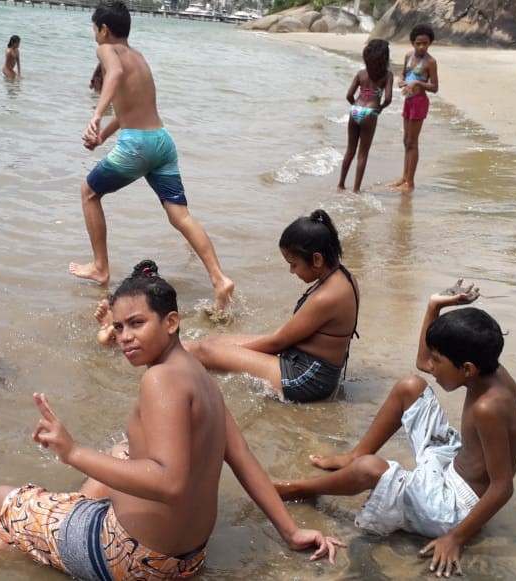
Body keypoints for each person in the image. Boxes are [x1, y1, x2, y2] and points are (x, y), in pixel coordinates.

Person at [0, 260, 342, 578]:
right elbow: (242, 456)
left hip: (134, 560)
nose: (124, 337)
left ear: (171, 322)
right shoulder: (198, 374)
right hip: (188, 559)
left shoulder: (160, 381)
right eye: (118, 326)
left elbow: (170, 482)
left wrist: (72, 452)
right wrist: (289, 531)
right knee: (123, 452)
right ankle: (29, 536)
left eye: (137, 324)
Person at [273, 281, 516, 578]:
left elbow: (502, 487)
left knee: (371, 469)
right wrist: (434, 306)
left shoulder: (488, 408)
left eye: (438, 361)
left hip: (454, 507)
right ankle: (353, 455)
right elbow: (421, 363)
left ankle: (302, 489)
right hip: (451, 463)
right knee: (410, 387)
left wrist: (455, 537)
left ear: (467, 369)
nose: (430, 365)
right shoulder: (489, 369)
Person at [70, 1, 235, 313]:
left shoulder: (107, 50)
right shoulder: (139, 57)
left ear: (104, 29)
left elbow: (114, 73)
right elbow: (130, 109)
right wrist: (103, 136)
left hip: (138, 145)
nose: (95, 35)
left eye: (94, 29)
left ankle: (100, 267)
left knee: (89, 193)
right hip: (162, 141)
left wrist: (96, 115)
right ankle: (219, 278)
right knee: (180, 216)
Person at [183, 210, 359, 403]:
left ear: (317, 259)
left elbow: (277, 343)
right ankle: (178, 351)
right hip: (304, 361)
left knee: (206, 350)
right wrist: (226, 349)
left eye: (294, 264)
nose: (291, 271)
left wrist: (231, 353)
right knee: (212, 341)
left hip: (307, 379)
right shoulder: (345, 277)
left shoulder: (326, 297)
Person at [388, 24, 438, 195]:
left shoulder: (430, 62)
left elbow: (434, 87)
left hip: (419, 102)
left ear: (430, 43)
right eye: (418, 43)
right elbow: (403, 73)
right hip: (408, 101)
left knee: (413, 142)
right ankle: (404, 177)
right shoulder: (408, 56)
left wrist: (417, 83)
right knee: (406, 141)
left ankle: (410, 182)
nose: (421, 47)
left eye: (425, 43)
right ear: (412, 43)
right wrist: (401, 81)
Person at [339, 39, 393, 194]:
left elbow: (349, 95)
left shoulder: (361, 74)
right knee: (363, 154)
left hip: (355, 109)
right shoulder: (387, 75)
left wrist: (354, 106)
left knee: (350, 150)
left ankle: (341, 184)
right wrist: (380, 108)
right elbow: (388, 98)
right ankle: (356, 189)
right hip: (370, 112)